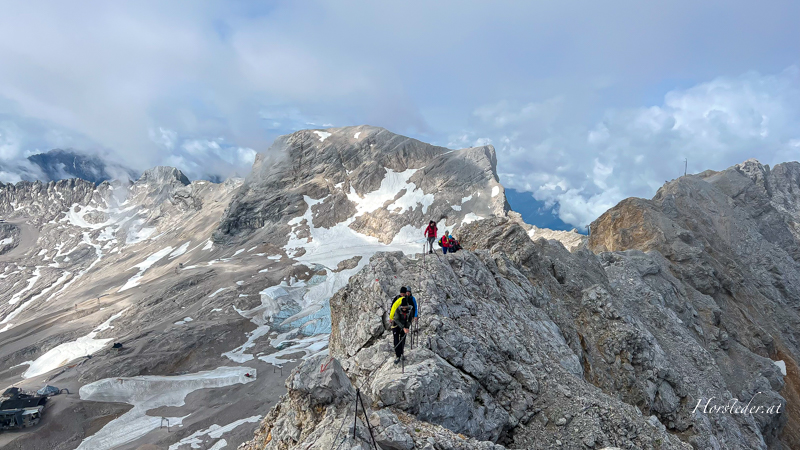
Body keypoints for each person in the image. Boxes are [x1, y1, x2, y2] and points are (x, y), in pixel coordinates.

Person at [389, 291, 415, 364]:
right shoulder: (398, 310)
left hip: (404, 326)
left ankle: (401, 353)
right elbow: (397, 320)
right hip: (396, 325)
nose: (404, 309)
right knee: (396, 340)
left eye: (405, 307)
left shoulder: (410, 311)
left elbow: (409, 320)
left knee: (403, 340)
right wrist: (403, 328)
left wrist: (407, 328)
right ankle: (398, 355)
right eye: (402, 308)